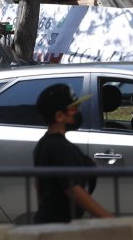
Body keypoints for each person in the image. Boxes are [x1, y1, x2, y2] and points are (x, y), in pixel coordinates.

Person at [33, 83, 113, 224]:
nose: (77, 112)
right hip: (58, 225)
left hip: (51, 223)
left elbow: (38, 185)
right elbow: (73, 189)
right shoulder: (59, 148)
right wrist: (108, 219)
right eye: (73, 108)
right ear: (59, 116)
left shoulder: (44, 144)